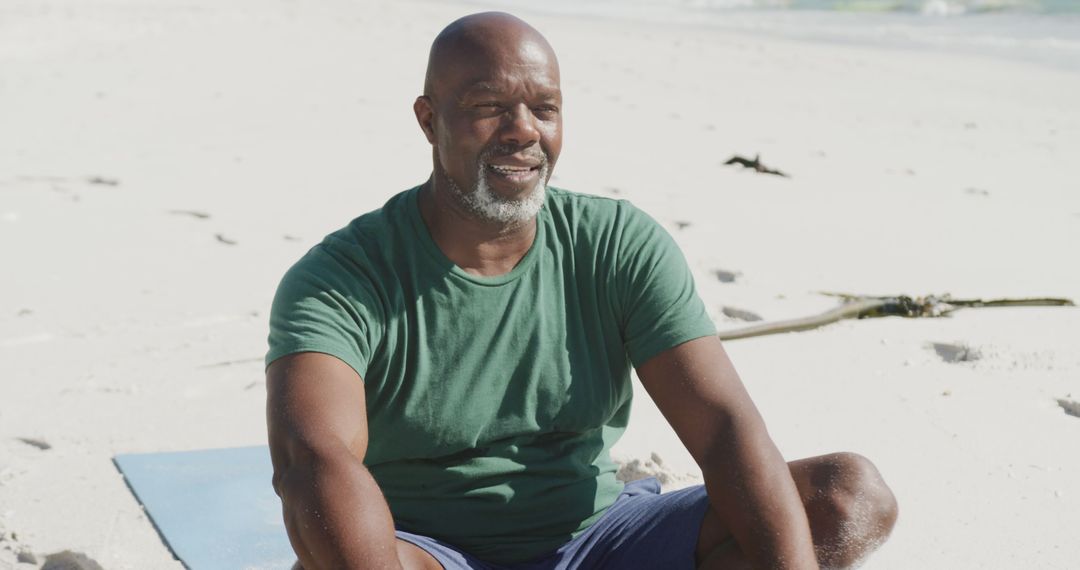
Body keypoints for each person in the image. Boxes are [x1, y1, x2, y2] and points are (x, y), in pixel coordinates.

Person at [264, 12, 897, 570]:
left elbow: (724, 430)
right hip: (428, 549)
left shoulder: (617, 244)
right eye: (488, 107)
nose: (523, 131)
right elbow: (314, 461)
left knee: (849, 497)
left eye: (544, 108)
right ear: (429, 121)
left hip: (600, 538)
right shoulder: (341, 280)